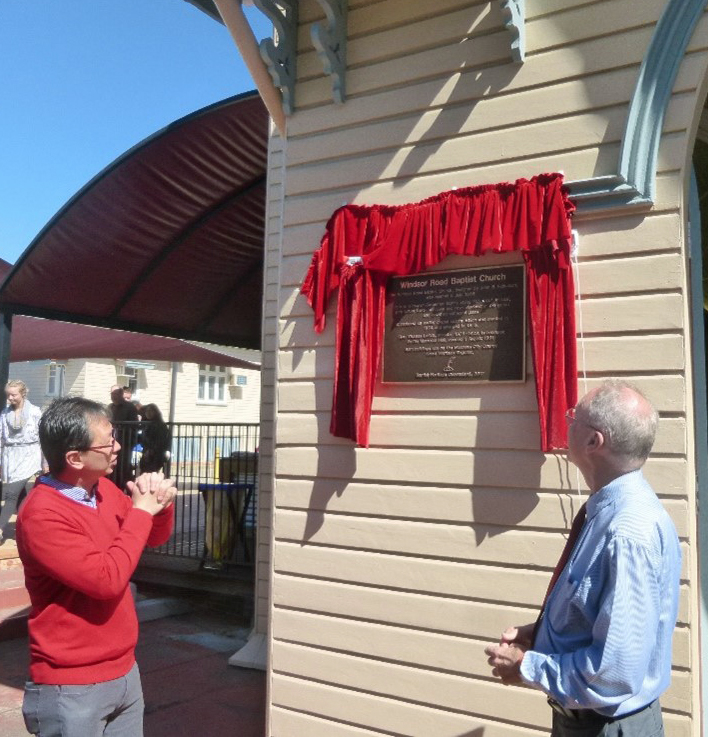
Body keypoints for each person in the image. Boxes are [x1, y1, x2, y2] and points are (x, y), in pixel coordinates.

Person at [485, 380, 681, 736]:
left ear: (594, 442)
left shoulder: (626, 533)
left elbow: (613, 674)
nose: (567, 420)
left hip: (606, 727)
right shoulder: (608, 511)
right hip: (588, 720)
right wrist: (544, 635)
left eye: (575, 416)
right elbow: (595, 614)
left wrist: (527, 666)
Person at [16, 396, 175, 737]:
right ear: (74, 458)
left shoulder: (100, 489)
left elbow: (151, 538)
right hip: (71, 684)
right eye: (108, 442)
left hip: (123, 671)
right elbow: (106, 579)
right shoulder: (42, 514)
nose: (118, 447)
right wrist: (141, 512)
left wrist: (158, 505)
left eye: (114, 435)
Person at [0, 380, 43, 543]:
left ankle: (0, 528)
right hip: (10, 456)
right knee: (22, 497)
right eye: (8, 395)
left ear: (23, 394)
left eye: (13, 395)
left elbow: (42, 437)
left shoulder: (34, 412)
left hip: (28, 455)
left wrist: (45, 460)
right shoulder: (5, 413)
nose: (10, 398)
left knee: (11, 494)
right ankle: (27, 530)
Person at [108, 385, 139, 490]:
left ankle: (126, 490)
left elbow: (134, 426)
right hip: (111, 443)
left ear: (121, 394)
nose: (113, 396)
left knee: (123, 468)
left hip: (125, 443)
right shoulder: (110, 407)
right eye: (112, 394)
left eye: (116, 394)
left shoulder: (129, 407)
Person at [138, 403, 171, 474]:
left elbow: (161, 440)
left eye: (151, 411)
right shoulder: (145, 424)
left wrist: (152, 450)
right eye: (147, 411)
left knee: (152, 471)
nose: (148, 413)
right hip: (146, 451)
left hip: (156, 453)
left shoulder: (160, 425)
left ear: (155, 412)